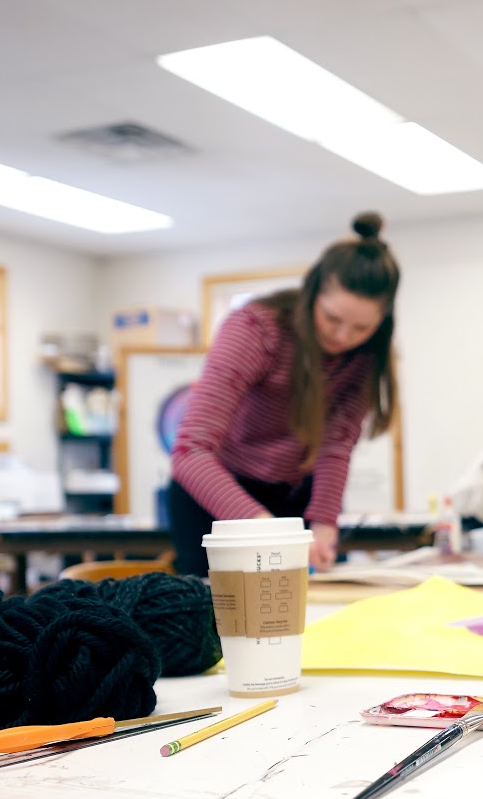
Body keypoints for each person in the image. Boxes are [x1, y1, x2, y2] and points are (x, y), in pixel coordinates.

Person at [168, 212, 399, 576]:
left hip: (292, 495)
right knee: (215, 621)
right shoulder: (256, 330)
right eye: (332, 318)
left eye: (361, 327)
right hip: (217, 493)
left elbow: (336, 446)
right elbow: (189, 453)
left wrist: (324, 525)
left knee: (307, 611)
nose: (342, 337)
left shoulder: (366, 356)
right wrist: (266, 528)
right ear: (312, 294)